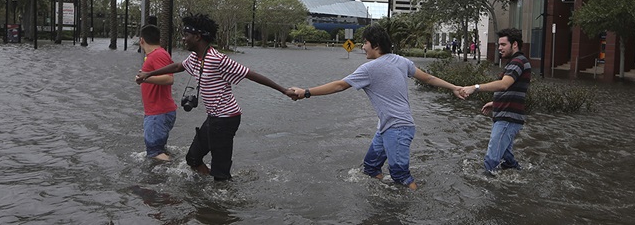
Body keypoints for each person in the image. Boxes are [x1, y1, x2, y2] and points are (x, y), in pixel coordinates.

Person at [289, 25, 466, 190]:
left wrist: (306, 92)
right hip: (387, 127)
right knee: (371, 168)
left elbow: (340, 85)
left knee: (401, 176)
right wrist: (454, 87)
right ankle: (382, 202)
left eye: (365, 43)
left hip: (397, 128)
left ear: (376, 45)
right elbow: (428, 78)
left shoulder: (370, 68)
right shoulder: (401, 61)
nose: (362, 47)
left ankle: (415, 205)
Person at [136, 13, 296, 181]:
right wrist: (148, 74)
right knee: (192, 158)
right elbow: (177, 66)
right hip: (213, 117)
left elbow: (250, 74)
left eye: (186, 35)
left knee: (221, 171)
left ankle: (222, 195)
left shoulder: (217, 59)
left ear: (197, 37)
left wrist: (283, 90)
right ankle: (210, 190)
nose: (183, 39)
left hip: (227, 118)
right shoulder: (196, 57)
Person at [460, 27, 531, 175]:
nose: (499, 48)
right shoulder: (515, 61)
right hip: (506, 114)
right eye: (498, 45)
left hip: (508, 118)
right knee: (506, 157)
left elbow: (504, 84)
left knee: (491, 159)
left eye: (503, 45)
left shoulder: (518, 62)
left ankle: (488, 189)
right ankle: (521, 179)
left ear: (515, 44)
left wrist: (475, 87)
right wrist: (495, 103)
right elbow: (514, 88)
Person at [135, 24, 177, 161]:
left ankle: (174, 175)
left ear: (142, 40)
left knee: (154, 153)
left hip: (158, 113)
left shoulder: (158, 55)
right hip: (157, 112)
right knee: (158, 150)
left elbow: (169, 79)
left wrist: (145, 78)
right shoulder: (156, 55)